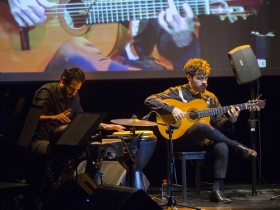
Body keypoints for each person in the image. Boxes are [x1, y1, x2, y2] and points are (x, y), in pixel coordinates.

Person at [144, 58, 257, 203]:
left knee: (221, 146)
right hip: (180, 139)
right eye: (200, 78)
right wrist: (172, 109)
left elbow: (219, 123)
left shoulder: (210, 98)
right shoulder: (176, 92)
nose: (205, 82)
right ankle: (237, 146)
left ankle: (216, 191)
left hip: (202, 141)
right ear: (189, 77)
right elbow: (149, 100)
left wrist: (231, 120)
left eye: (206, 78)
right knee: (202, 126)